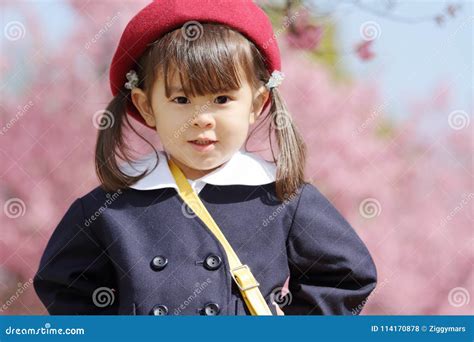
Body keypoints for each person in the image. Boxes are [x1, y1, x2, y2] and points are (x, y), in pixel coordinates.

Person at [33, 0, 377, 316]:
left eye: (223, 98)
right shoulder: (109, 208)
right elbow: (63, 285)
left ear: (256, 105)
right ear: (145, 106)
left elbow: (346, 276)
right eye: (181, 100)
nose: (202, 118)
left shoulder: (281, 197)